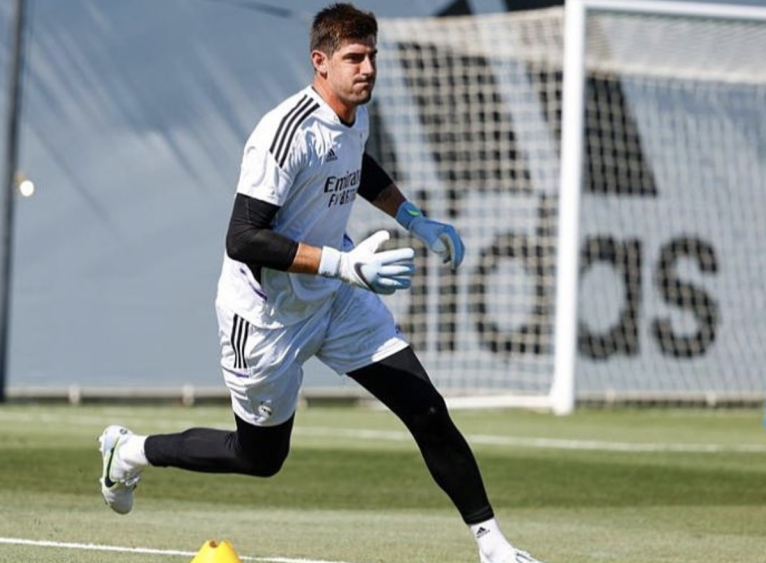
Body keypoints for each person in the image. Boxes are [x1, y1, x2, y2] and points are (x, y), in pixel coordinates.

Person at [97, 4, 545, 563]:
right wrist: (343, 265)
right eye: (354, 57)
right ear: (320, 61)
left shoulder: (354, 113)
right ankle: (130, 452)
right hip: (266, 316)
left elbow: (357, 165)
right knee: (260, 458)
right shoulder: (284, 133)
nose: (368, 68)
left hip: (336, 299)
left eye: (372, 56)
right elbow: (243, 238)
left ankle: (493, 546)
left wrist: (413, 219)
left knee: (426, 408)